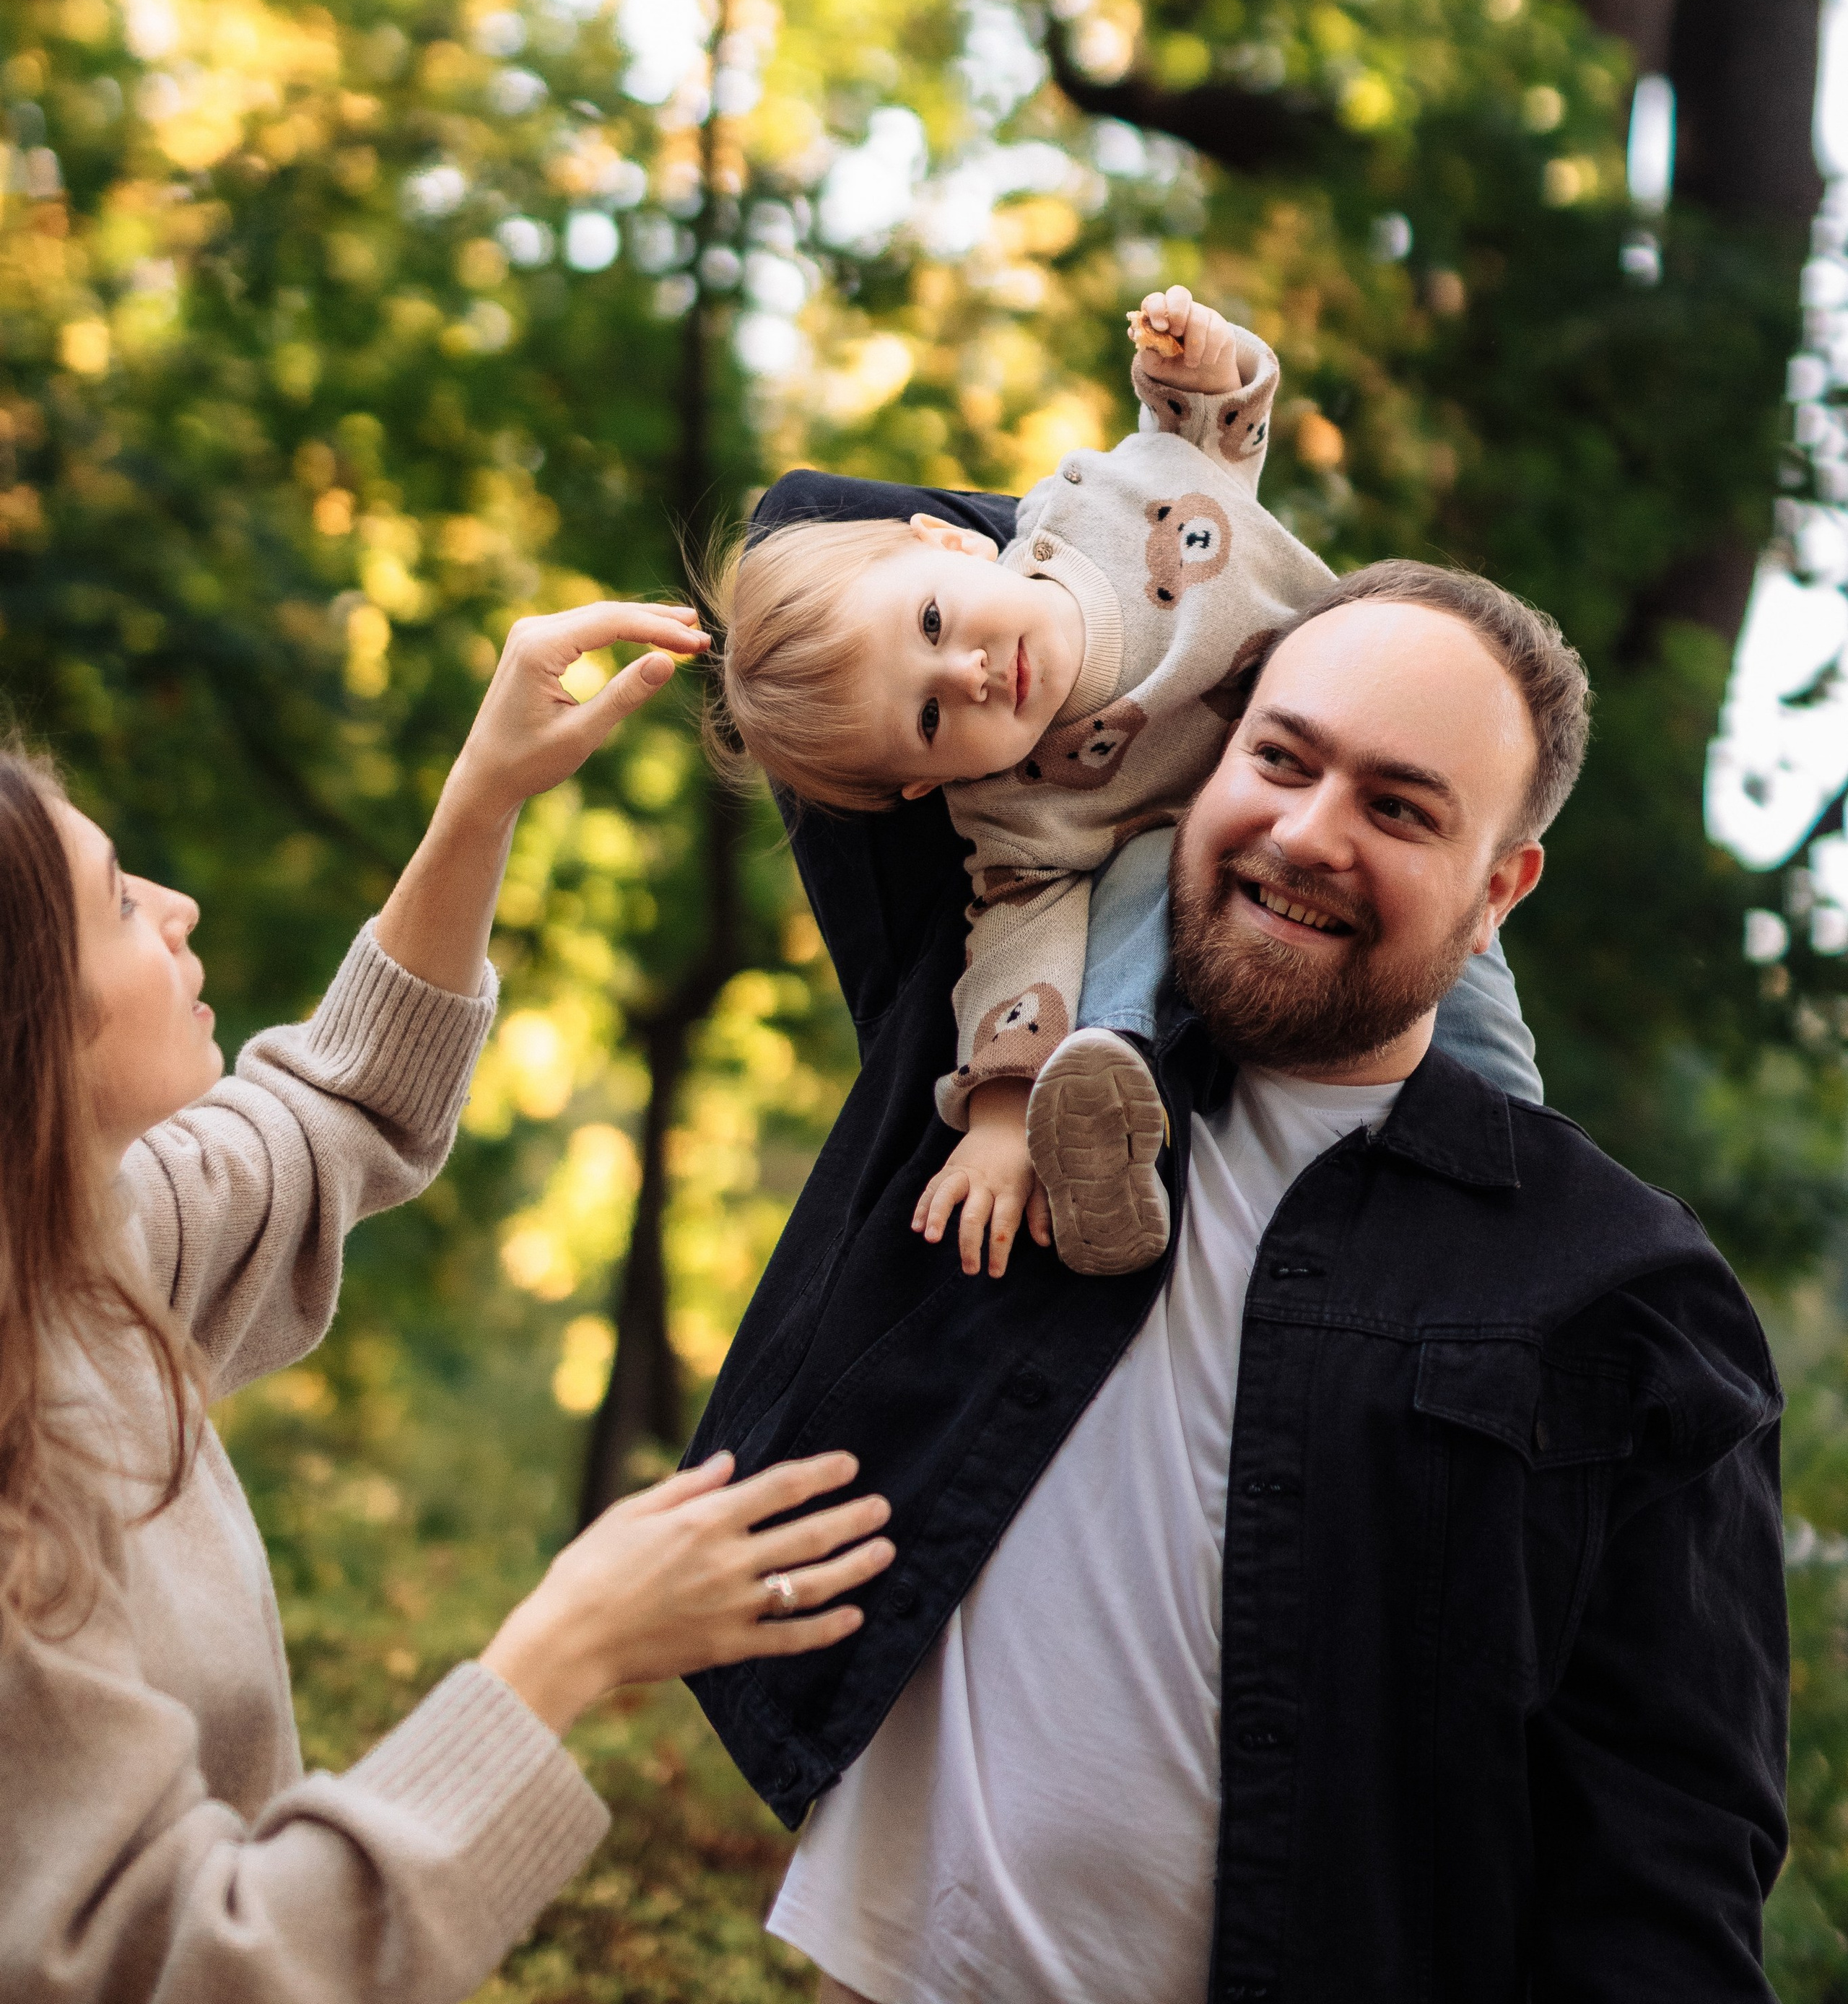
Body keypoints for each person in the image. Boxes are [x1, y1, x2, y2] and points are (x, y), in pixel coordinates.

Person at [687, 546, 1788, 2004]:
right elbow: (814, 525)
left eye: (1399, 807)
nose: (1309, 833)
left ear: (1495, 892)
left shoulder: (1623, 1291)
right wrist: (1144, 605)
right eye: (1280, 756)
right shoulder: (992, 1041)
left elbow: (1665, 1854)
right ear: (1204, 750)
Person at [0, 594, 897, 2004]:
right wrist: (567, 1646)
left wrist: (486, 794)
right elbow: (209, 1971)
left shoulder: (76, 1258)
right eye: (117, 904)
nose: (177, 909)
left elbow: (330, 1114)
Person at [712, 286, 1344, 1280]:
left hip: (1372, 714)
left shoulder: (1091, 504)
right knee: (1143, 881)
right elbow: (1015, 953)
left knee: (1488, 1053)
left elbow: (1206, 449)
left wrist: (1203, 370)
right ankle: (1100, 1099)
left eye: (931, 624)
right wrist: (1003, 1117)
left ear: (952, 540)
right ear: (924, 788)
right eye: (928, 720)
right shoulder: (1016, 816)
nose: (964, 675)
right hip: (1285, 862)